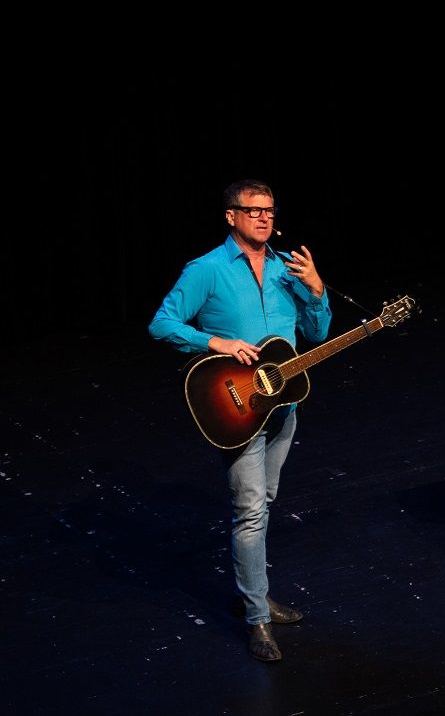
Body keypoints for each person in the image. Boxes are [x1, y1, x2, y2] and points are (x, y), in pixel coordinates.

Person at [149, 179, 331, 662]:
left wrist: (316, 290)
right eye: (254, 211)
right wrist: (216, 342)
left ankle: (255, 593)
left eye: (270, 210)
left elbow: (316, 334)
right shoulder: (206, 270)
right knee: (250, 512)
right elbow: (162, 323)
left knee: (264, 502)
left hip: (283, 405)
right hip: (238, 408)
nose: (265, 218)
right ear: (231, 216)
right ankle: (256, 619)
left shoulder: (287, 268)